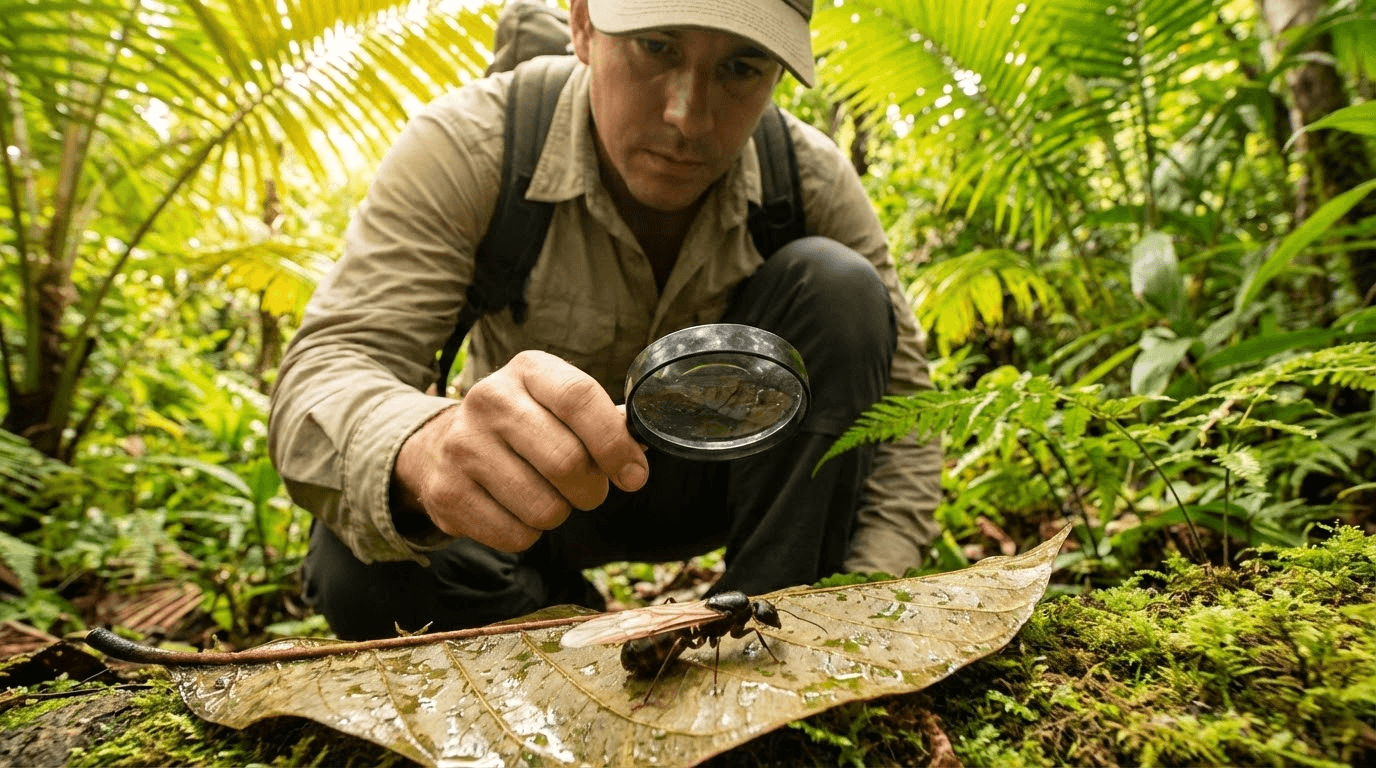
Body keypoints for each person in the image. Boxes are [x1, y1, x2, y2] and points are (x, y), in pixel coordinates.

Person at [268, 0, 943, 641]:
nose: (688, 116)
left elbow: (907, 408)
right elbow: (325, 372)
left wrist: (866, 601)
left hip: (724, 483)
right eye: (657, 46)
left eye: (741, 67)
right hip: (530, 504)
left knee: (840, 286)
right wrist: (421, 446)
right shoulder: (473, 144)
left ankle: (778, 631)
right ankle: (560, 626)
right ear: (584, 24)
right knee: (361, 561)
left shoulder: (807, 178)